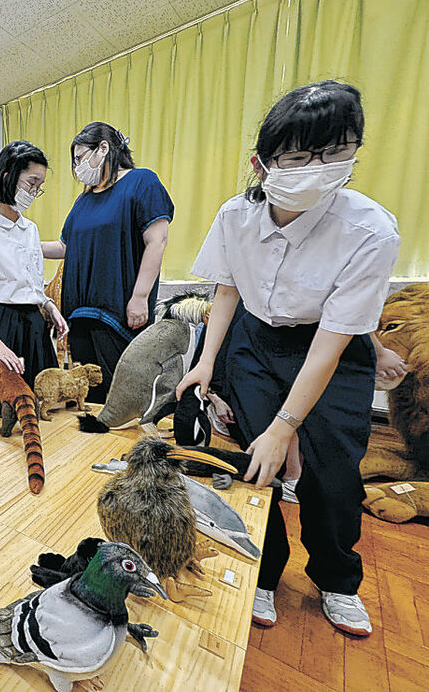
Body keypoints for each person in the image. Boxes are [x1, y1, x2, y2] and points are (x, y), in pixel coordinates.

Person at [176, 81, 400, 637]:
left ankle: (336, 580)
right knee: (257, 469)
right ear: (262, 163)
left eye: (337, 153)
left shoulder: (370, 228)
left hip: (330, 350)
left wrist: (287, 426)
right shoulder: (235, 216)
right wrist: (207, 362)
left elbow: (334, 338)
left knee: (330, 474)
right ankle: (265, 572)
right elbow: (225, 291)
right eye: (299, 157)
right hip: (253, 340)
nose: (317, 169)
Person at [42, 122, 173, 403]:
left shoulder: (142, 182)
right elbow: (65, 246)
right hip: (79, 313)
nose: (78, 167)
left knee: (122, 398)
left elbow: (157, 241)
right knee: (90, 396)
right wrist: (22, 244)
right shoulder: (83, 201)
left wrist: (140, 297)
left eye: (80, 158)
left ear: (103, 148)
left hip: (117, 312)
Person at [0, 141, 68, 415]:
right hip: (0, 323)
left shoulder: (30, 229)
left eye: (38, 186)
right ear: (8, 175)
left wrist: (49, 306)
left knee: (41, 404)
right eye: (31, 182)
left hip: (33, 324)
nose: (33, 192)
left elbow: (31, 282)